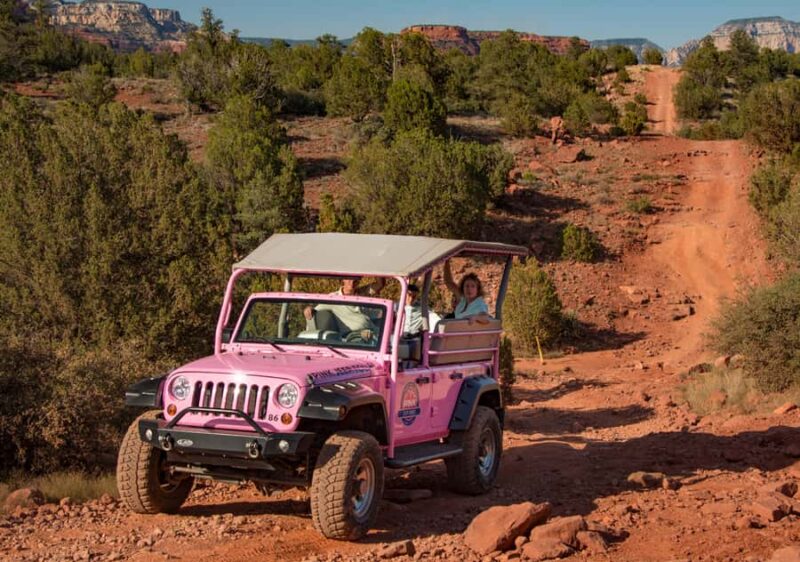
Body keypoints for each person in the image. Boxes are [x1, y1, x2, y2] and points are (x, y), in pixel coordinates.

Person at [303, 277, 384, 341]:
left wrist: (375, 267)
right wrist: (308, 309)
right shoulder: (333, 298)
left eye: (355, 278)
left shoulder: (362, 293)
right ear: (343, 280)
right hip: (353, 338)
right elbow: (313, 311)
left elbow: (380, 284)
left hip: (373, 333)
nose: (352, 281)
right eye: (349, 278)